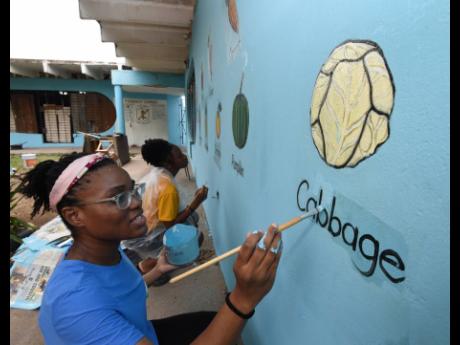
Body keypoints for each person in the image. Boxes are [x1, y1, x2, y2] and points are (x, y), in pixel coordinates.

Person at [20, 152, 282, 345]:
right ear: (75, 215)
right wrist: (244, 298)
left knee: (213, 322)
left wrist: (157, 270)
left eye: (133, 191)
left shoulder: (103, 251)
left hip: (141, 330)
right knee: (228, 319)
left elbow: (117, 295)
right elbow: (98, 302)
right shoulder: (76, 303)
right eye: (119, 198)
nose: (136, 203)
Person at [123, 139, 208, 278]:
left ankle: (155, 259)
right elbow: (170, 226)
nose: (185, 156)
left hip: (138, 230)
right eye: (180, 156)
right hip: (144, 238)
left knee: (192, 219)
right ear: (168, 162)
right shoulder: (167, 188)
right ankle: (147, 266)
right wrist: (195, 203)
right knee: (197, 236)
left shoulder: (157, 174)